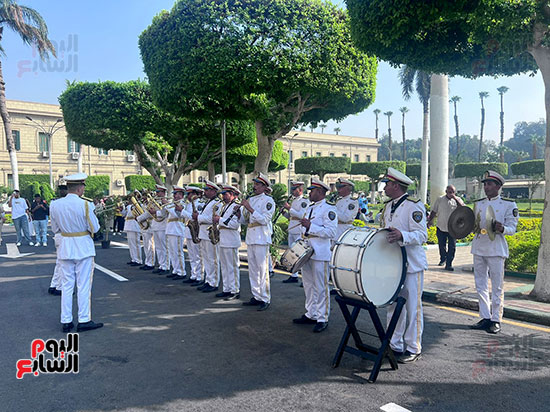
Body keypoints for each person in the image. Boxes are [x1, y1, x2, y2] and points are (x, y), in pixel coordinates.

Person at [380, 167, 427, 363]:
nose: (384, 188)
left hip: (411, 265)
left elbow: (422, 235)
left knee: (412, 307)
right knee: (392, 305)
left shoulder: (413, 206)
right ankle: (394, 344)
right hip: (393, 264)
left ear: (396, 186)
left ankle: (413, 347)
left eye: (387, 184)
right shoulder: (388, 206)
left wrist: (403, 235)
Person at [49, 173, 102, 332]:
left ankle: (66, 321)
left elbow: (55, 229)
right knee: (83, 285)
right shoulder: (85, 204)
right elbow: (95, 228)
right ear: (80, 188)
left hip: (65, 247)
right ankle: (84, 319)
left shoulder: (55, 204)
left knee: (66, 286)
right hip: (83, 248)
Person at [470, 171, 518, 334]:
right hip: (479, 246)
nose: (486, 187)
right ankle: (485, 317)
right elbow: (474, 224)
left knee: (497, 286)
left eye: (490, 184)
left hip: (496, 248)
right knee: (480, 284)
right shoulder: (479, 204)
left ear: (498, 186)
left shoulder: (508, 205)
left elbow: (513, 228)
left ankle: (496, 319)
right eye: (485, 184)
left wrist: (503, 228)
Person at [292, 178, 337, 333]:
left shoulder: (329, 209)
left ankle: (322, 317)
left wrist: (311, 226)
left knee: (320, 285)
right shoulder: (310, 207)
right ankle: (310, 313)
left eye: (312, 190)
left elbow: (331, 232)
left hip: (320, 251)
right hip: (306, 250)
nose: (309, 193)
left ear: (319, 191)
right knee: (308, 284)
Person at [237, 173, 275, 311]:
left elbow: (264, 219)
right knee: (252, 269)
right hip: (251, 237)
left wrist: (249, 208)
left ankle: (265, 297)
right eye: (255, 184)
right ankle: (256, 295)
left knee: (262, 269)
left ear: (265, 186)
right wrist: (238, 214)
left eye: (258, 184)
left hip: (261, 237)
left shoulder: (268, 201)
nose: (255, 187)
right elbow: (245, 220)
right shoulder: (251, 199)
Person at [427, 185, 464, 271]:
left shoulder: (458, 200)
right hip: (441, 226)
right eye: (449, 192)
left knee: (452, 246)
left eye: (453, 192)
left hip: (453, 228)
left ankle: (449, 264)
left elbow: (463, 208)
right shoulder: (440, 199)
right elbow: (434, 211)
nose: (450, 193)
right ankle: (443, 258)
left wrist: (455, 198)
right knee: (441, 245)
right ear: (446, 191)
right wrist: (430, 221)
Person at [214, 185, 242, 300]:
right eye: (223, 194)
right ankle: (226, 289)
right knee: (225, 266)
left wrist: (219, 220)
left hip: (231, 240)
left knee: (232, 267)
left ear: (232, 194)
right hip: (223, 239)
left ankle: (235, 290)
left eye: (226, 194)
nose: (223, 196)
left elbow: (235, 225)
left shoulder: (236, 206)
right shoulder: (225, 207)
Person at [195, 180, 222, 292]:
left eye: (207, 190)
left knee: (213, 259)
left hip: (210, 234)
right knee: (206, 259)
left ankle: (214, 282)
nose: (204, 192)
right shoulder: (208, 202)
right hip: (203, 233)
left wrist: (198, 218)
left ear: (213, 191)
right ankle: (208, 279)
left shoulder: (217, 203)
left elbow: (214, 218)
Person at [281, 181, 309, 283]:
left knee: (300, 254)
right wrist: (284, 213)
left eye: (294, 189)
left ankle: (304, 278)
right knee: (292, 254)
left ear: (300, 190)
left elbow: (302, 215)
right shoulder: (294, 200)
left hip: (299, 230)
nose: (292, 191)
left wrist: (289, 208)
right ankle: (294, 274)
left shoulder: (304, 201)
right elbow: (292, 217)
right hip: (292, 228)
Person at [165, 186, 190, 280]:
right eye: (174, 194)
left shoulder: (183, 203)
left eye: (176, 194)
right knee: (172, 252)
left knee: (178, 252)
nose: (174, 196)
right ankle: (175, 270)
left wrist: (167, 206)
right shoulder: (172, 204)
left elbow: (177, 214)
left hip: (178, 229)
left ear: (181, 195)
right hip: (171, 229)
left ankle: (181, 271)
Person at [48, 184, 68, 295]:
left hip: (58, 234)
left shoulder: (54, 204)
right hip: (66, 236)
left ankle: (53, 284)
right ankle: (59, 287)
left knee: (59, 262)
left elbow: (54, 225)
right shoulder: (67, 204)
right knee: (64, 263)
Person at [185, 187, 205, 286]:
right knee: (192, 256)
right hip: (189, 231)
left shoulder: (200, 204)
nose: (187, 196)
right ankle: (193, 275)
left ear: (194, 194)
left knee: (197, 256)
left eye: (189, 194)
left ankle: (199, 276)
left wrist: (183, 211)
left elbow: (195, 217)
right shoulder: (188, 204)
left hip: (196, 231)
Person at [150, 185, 170, 275]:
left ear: (163, 192)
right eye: (157, 192)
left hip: (163, 226)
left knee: (164, 247)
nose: (157, 194)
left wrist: (155, 212)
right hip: (156, 226)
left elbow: (165, 214)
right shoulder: (155, 201)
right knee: (158, 247)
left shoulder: (167, 202)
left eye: (158, 192)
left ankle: (166, 266)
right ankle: (161, 265)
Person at [334, 178, 358, 242]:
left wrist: (332, 210)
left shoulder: (353, 202)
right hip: (335, 231)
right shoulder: (338, 200)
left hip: (344, 231)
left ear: (348, 189)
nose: (338, 189)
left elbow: (346, 218)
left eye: (341, 187)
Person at [122, 197, 143, 267]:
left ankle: (138, 260)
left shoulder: (138, 205)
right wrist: (122, 209)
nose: (128, 200)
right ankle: (133, 259)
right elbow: (123, 215)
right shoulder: (128, 206)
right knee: (131, 244)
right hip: (129, 225)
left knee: (136, 244)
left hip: (134, 225)